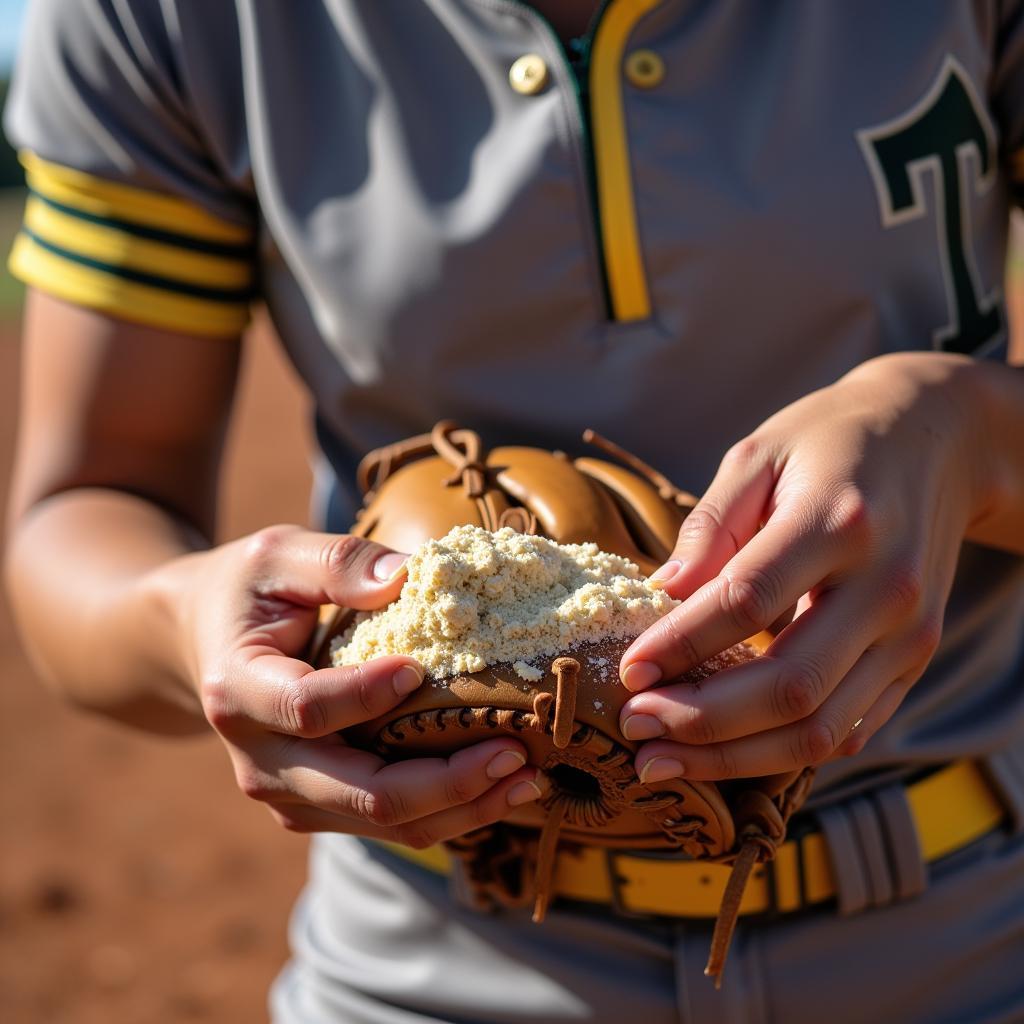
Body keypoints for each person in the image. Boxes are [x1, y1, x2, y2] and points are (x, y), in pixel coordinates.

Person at [3, 1, 1024, 1021]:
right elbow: (87, 506)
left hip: (970, 929)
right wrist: (184, 620)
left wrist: (970, 439)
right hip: (435, 952)